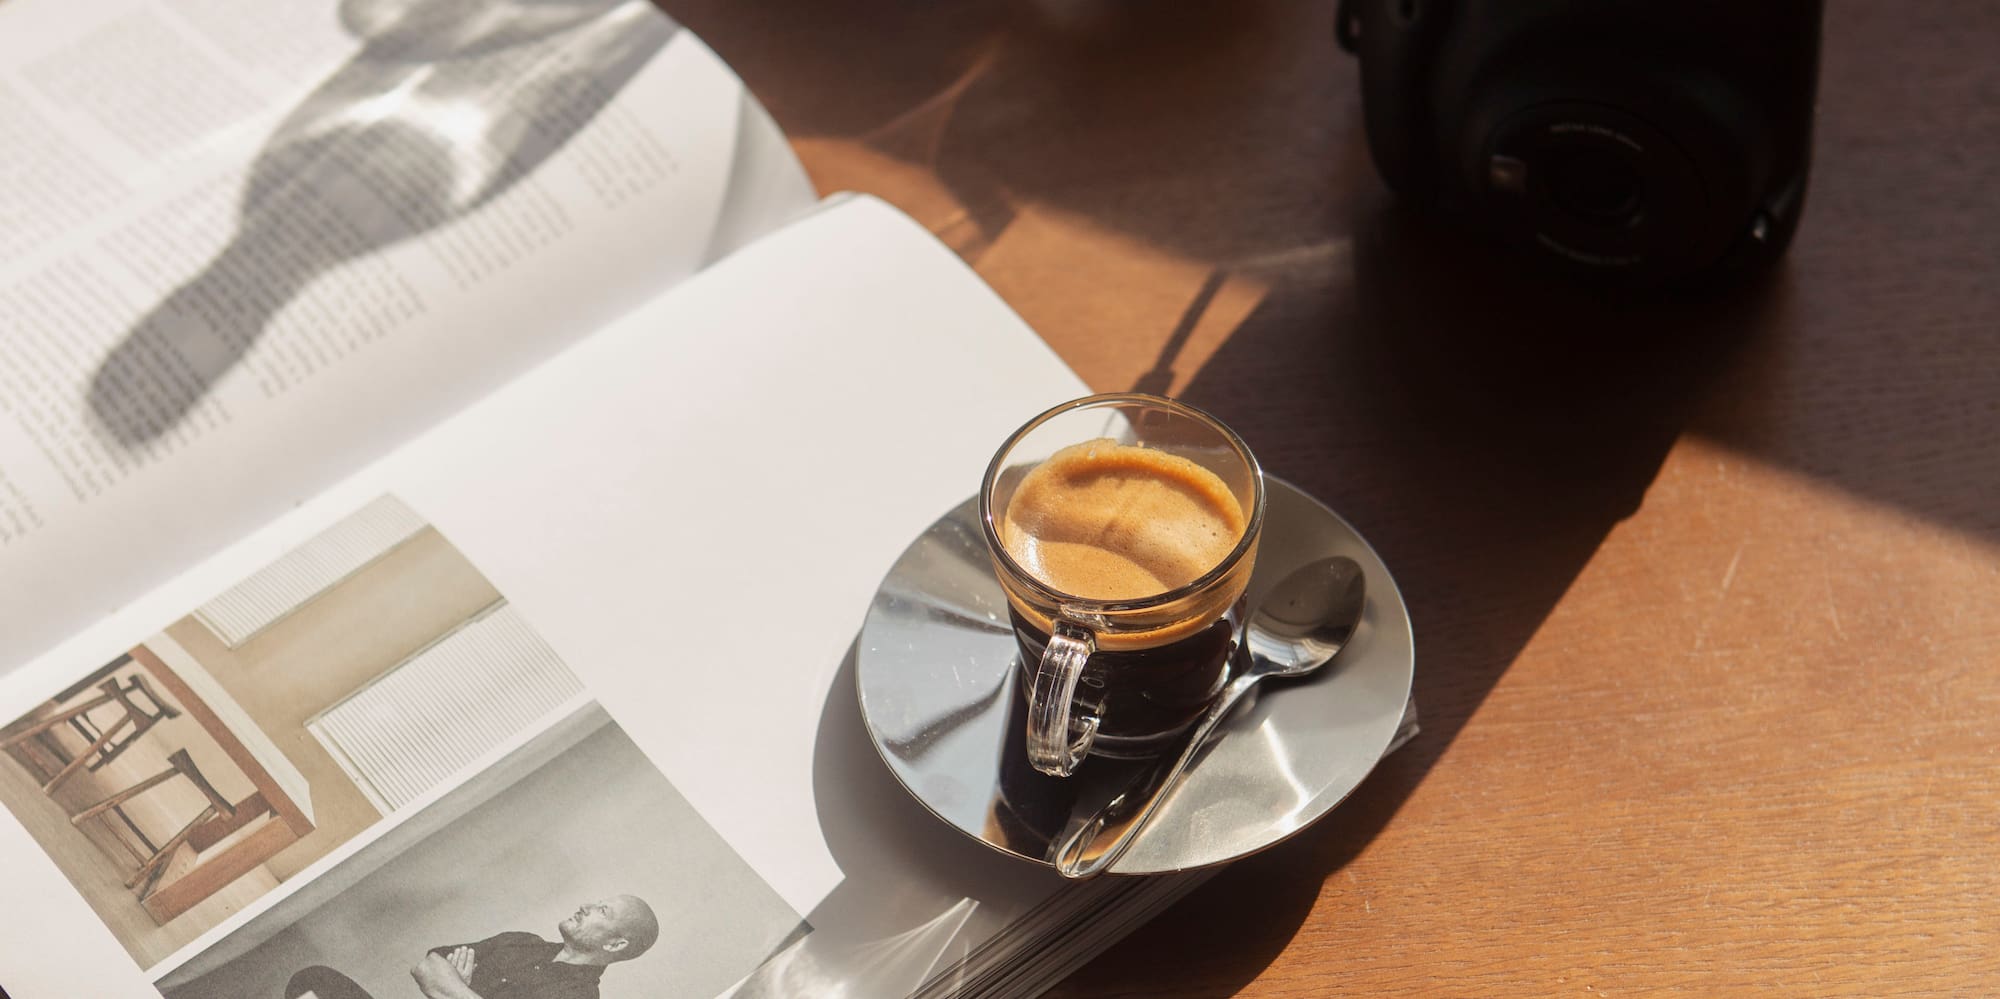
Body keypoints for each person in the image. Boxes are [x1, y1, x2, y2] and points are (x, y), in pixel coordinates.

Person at [284, 895, 660, 999]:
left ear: (616, 943)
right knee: (314, 981)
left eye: (602, 911)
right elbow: (428, 966)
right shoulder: (521, 942)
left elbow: (438, 980)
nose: (586, 906)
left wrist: (453, 988)